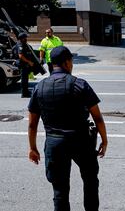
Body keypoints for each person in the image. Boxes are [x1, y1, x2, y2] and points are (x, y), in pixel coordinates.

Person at [28, 46, 108, 211]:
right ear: (66, 62)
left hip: (54, 143)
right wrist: (104, 140)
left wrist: (33, 148)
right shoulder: (80, 84)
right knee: (90, 181)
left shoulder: (39, 88)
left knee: (60, 190)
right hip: (81, 142)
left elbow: (32, 124)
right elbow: (97, 117)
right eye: (71, 61)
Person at [15, 32, 35, 98]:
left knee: (25, 79)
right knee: (24, 79)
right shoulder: (20, 45)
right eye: (25, 37)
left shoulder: (24, 44)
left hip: (24, 65)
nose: (26, 38)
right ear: (22, 38)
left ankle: (26, 92)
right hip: (22, 65)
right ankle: (24, 94)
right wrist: (29, 62)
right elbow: (20, 56)